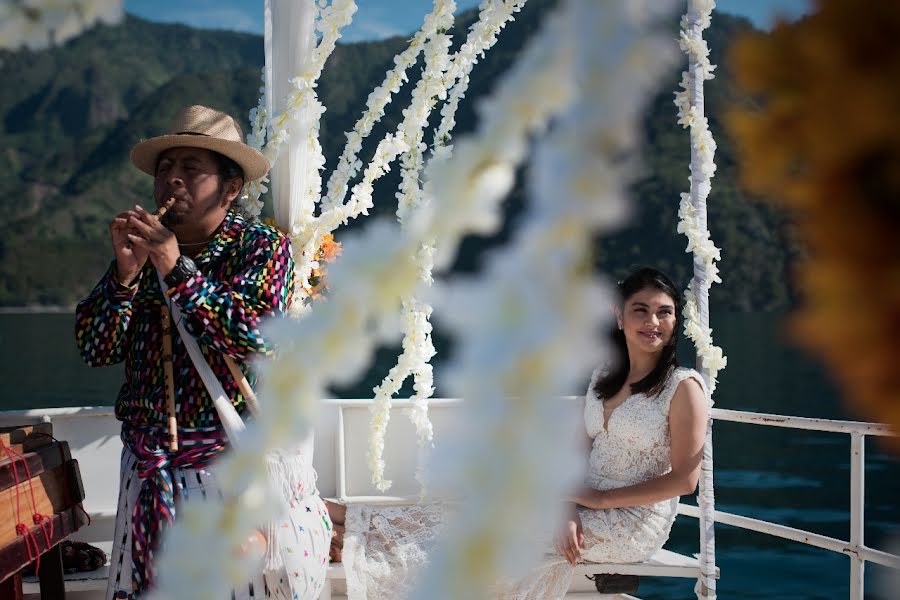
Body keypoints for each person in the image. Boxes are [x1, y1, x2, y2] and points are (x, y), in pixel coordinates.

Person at [75, 104, 331, 599]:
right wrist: (124, 276)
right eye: (166, 168)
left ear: (230, 188)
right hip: (151, 469)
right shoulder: (142, 254)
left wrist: (176, 269)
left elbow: (255, 337)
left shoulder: (260, 246)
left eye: (191, 169)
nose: (172, 180)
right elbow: (95, 347)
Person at [502, 266, 709, 598]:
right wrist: (567, 508)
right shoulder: (603, 376)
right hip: (583, 503)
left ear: (675, 322)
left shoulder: (681, 387)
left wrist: (599, 499)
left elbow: (685, 480)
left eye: (664, 313)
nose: (653, 322)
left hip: (632, 522)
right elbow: (576, 456)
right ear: (619, 316)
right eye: (640, 310)